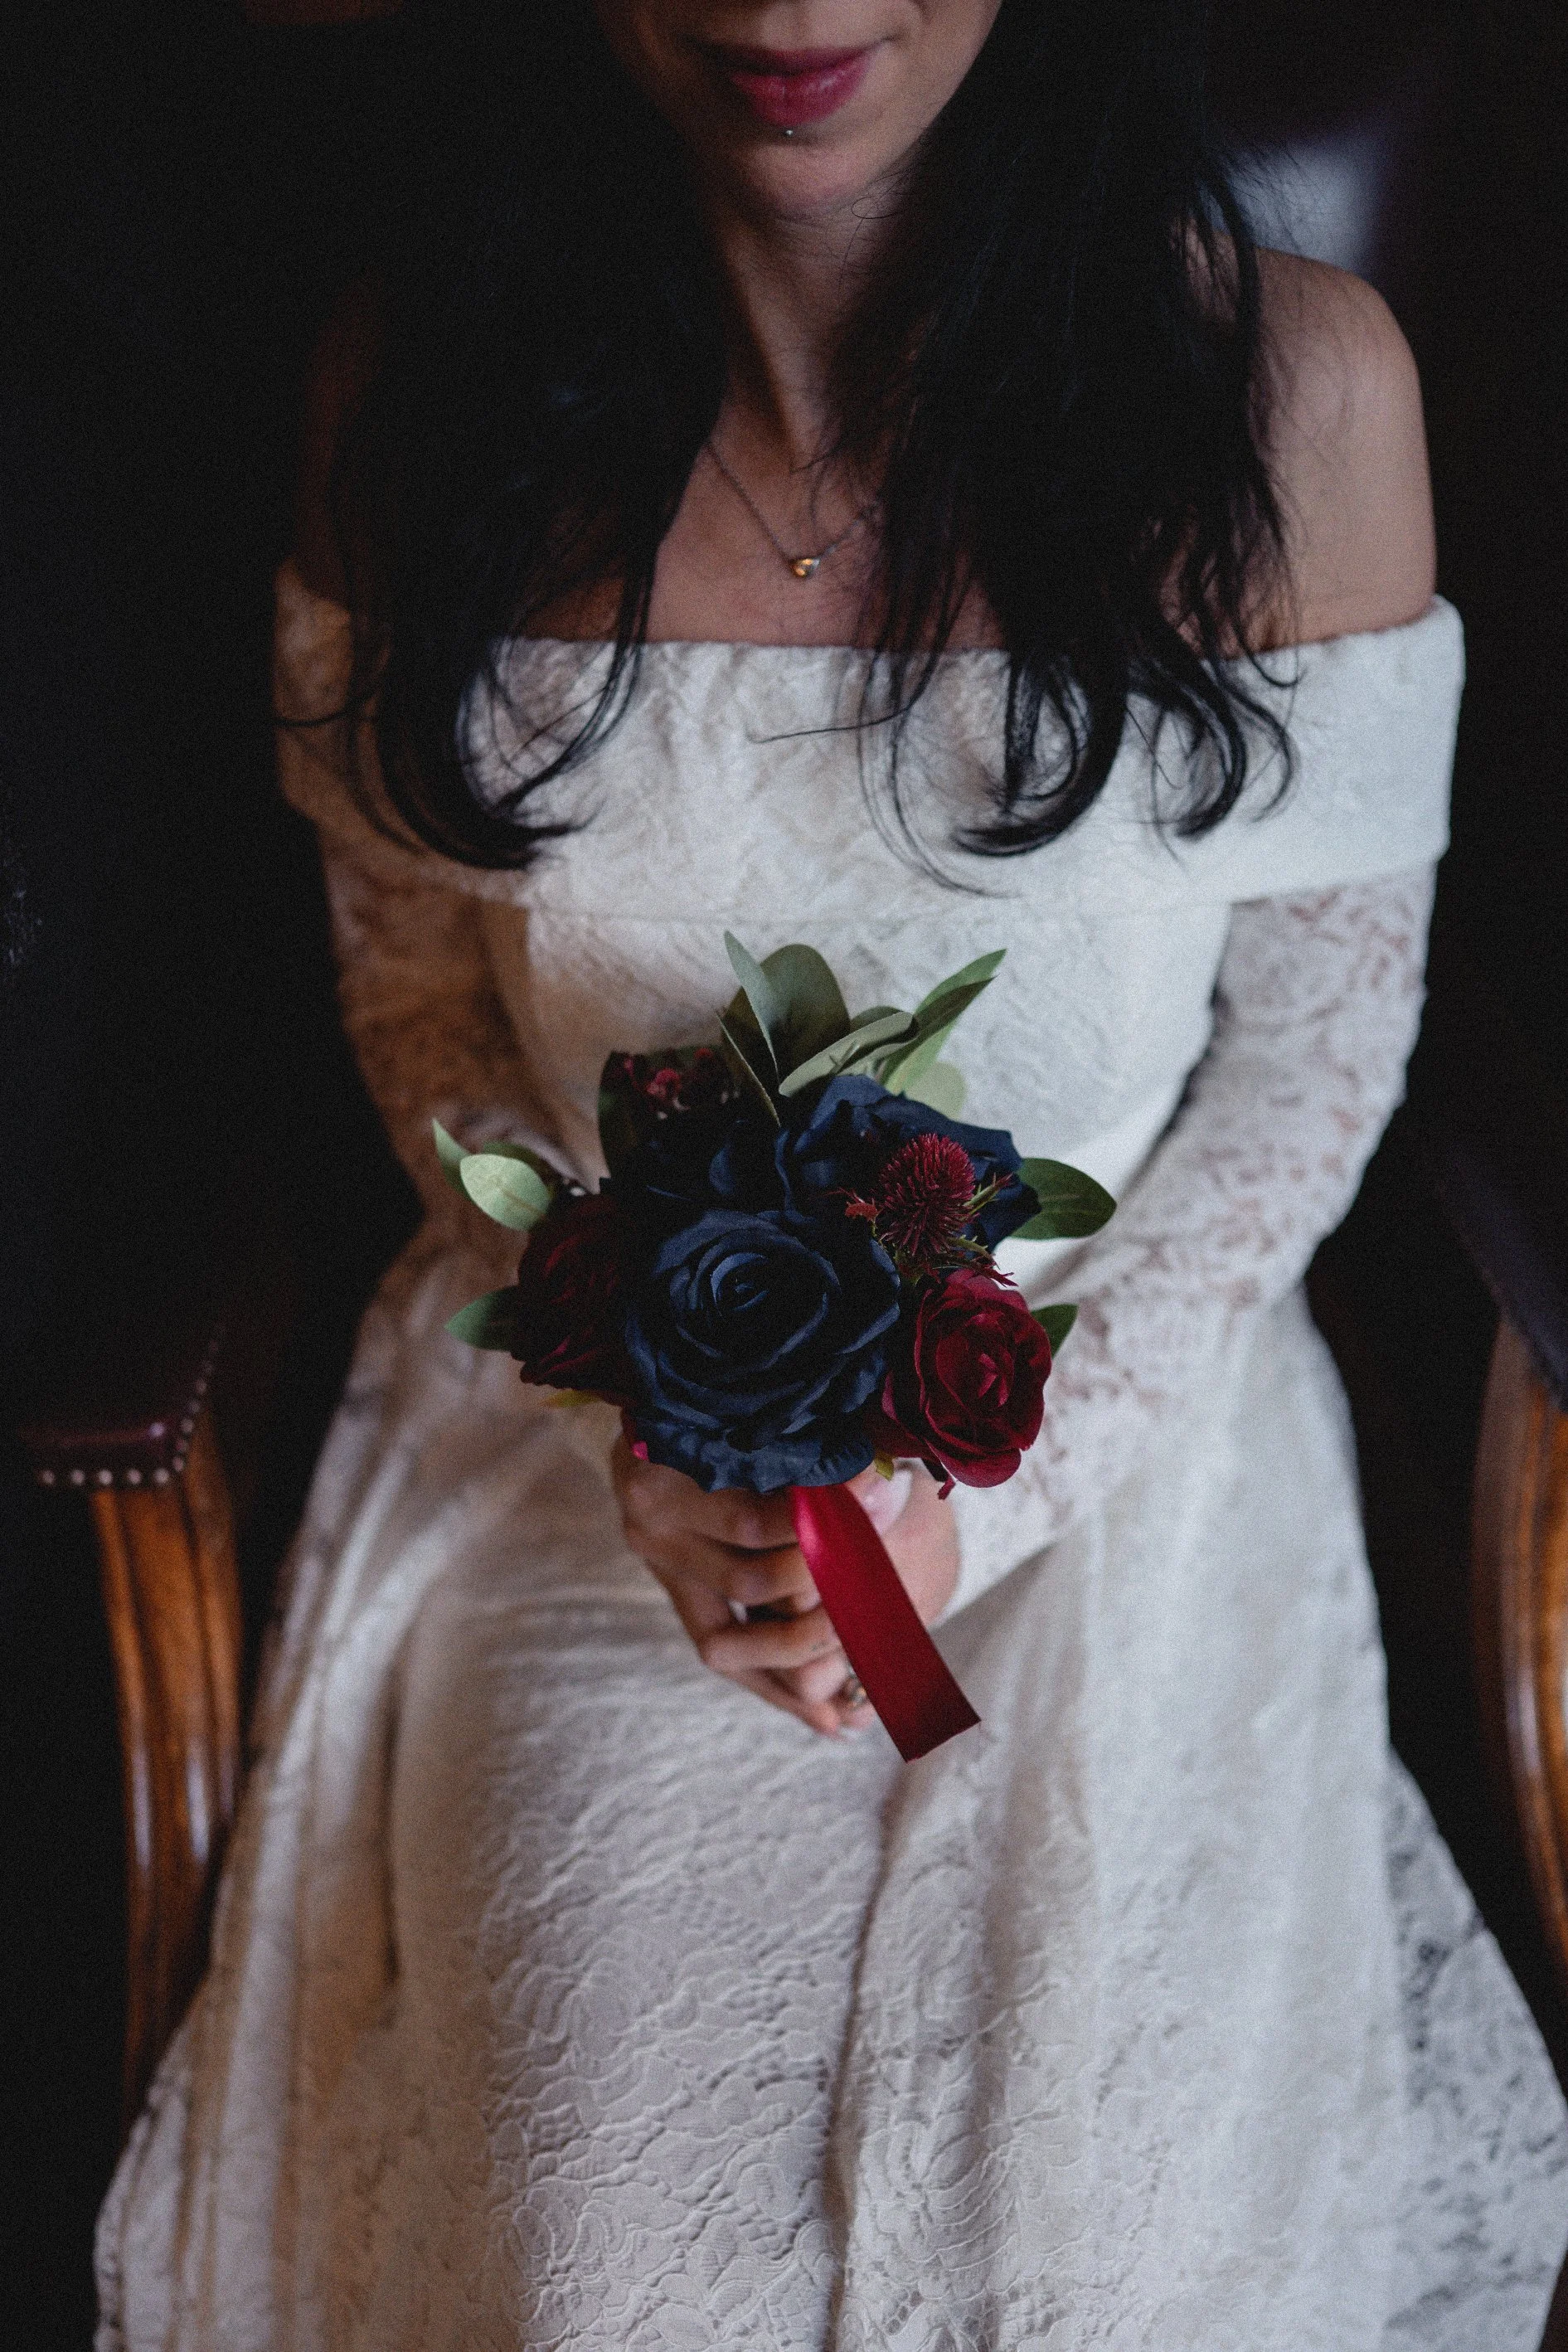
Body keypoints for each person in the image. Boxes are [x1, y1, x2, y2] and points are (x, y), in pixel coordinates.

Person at [98, 4, 1568, 2345]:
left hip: (1131, 1445)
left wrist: (1003, 1486)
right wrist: (630, 1411)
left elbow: (1313, 1053)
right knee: (599, 2275)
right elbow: (426, 1010)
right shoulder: (420, 398)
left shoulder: (1302, 401)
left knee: (1124, 2270)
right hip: (586, 1462)